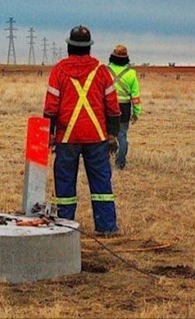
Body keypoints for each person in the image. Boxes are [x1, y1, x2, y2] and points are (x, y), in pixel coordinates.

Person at [43, 25, 121, 236]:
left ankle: (64, 226)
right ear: (88, 48)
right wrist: (113, 134)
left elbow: (51, 106)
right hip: (96, 137)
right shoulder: (101, 71)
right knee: (101, 183)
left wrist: (49, 134)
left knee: (65, 183)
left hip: (67, 137)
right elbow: (113, 106)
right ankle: (106, 227)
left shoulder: (59, 70)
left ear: (69, 47)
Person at [107, 44, 141, 170]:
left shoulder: (105, 70)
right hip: (124, 108)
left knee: (106, 134)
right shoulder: (131, 73)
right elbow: (135, 96)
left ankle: (105, 161)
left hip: (108, 107)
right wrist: (136, 113)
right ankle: (120, 163)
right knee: (122, 135)